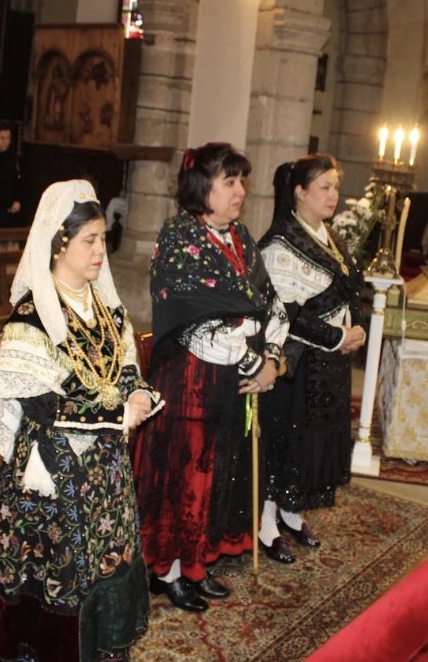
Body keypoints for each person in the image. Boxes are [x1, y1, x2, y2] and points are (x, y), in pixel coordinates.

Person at [0, 179, 161, 662]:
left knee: (107, 559)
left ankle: (101, 647)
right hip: (53, 472)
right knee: (59, 573)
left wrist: (137, 391)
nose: (101, 251)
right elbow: (42, 407)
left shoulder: (105, 307)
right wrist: (118, 412)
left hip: (106, 469)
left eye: (102, 238)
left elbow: (123, 366)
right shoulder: (30, 317)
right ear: (59, 244)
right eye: (89, 240)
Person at [132, 143, 289, 612]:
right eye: (230, 182)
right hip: (190, 379)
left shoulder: (240, 236)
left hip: (231, 380)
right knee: (185, 474)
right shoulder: (179, 236)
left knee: (218, 471)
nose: (241, 191)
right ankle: (168, 571)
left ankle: (197, 562)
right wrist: (255, 365)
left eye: (243, 182)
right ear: (203, 187)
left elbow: (272, 304)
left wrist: (273, 360)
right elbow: (197, 323)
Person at [258, 154, 366, 564]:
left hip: (330, 363)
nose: (333, 195)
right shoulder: (280, 244)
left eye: (335, 187)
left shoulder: (332, 237)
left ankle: (291, 509)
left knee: (310, 439)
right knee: (286, 437)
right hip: (295, 362)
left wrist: (356, 330)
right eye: (324, 187)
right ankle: (266, 521)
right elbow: (285, 312)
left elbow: (350, 290)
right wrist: (337, 337)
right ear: (300, 192)